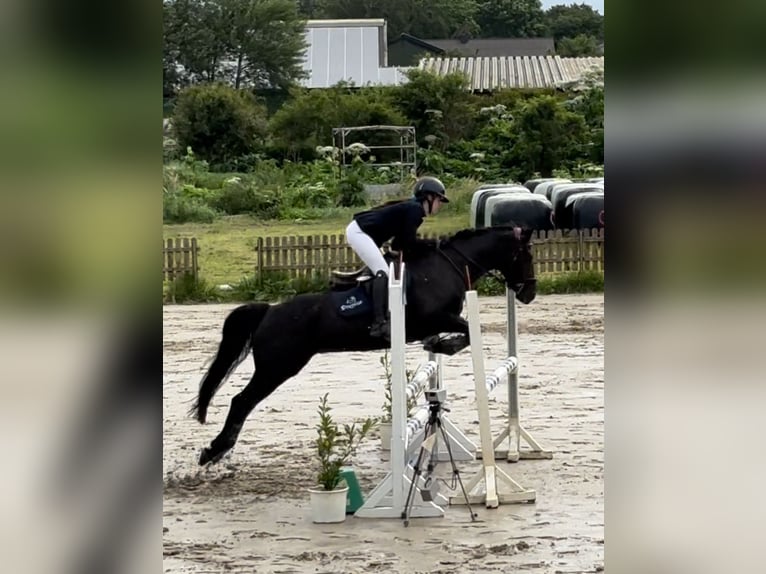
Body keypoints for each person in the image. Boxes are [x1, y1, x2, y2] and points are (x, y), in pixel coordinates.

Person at [345, 176, 449, 340]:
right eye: (439, 199)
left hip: (368, 234)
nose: (440, 204)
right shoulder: (415, 210)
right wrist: (433, 243)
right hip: (360, 232)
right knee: (383, 272)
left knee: (386, 268)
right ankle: (378, 323)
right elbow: (409, 243)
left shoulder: (413, 209)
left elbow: (399, 244)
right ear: (429, 197)